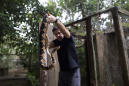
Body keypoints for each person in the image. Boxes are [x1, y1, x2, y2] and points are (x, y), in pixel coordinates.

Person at [46, 14, 81, 86]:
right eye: (56, 34)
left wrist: (55, 20)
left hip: (73, 72)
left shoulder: (68, 38)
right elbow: (46, 46)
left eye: (59, 33)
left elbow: (64, 30)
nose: (58, 35)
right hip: (62, 72)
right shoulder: (57, 42)